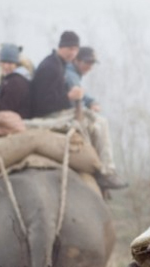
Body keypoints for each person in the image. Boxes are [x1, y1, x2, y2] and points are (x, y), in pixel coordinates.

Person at [29, 32, 127, 189]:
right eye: (69, 48)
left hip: (56, 111)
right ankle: (106, 170)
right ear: (61, 46)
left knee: (94, 119)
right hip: (48, 116)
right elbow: (43, 103)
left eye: (75, 49)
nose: (72, 52)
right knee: (99, 122)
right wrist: (69, 97)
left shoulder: (58, 64)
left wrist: (80, 99)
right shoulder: (52, 67)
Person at [65, 46, 100, 112]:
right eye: (87, 62)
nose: (90, 67)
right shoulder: (70, 75)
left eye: (92, 63)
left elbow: (81, 93)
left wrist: (91, 102)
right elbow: (77, 98)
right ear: (76, 60)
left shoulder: (72, 72)